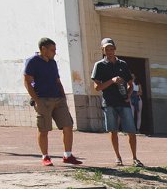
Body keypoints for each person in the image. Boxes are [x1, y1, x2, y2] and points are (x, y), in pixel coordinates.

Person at [22, 37, 80, 167]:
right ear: (43, 49)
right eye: (52, 50)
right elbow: (27, 81)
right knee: (44, 129)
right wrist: (37, 100)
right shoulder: (33, 61)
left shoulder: (53, 63)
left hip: (58, 99)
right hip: (43, 99)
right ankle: (45, 156)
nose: (55, 52)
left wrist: (63, 96)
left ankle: (68, 155)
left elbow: (57, 80)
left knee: (68, 126)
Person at [90, 38, 140, 167]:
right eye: (106, 49)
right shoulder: (99, 65)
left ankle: (135, 158)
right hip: (109, 102)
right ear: (102, 50)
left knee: (131, 131)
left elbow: (130, 84)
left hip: (123, 102)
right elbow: (97, 87)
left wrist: (128, 95)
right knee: (113, 131)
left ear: (115, 49)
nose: (109, 51)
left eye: (111, 49)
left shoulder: (123, 64)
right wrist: (112, 81)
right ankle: (118, 157)